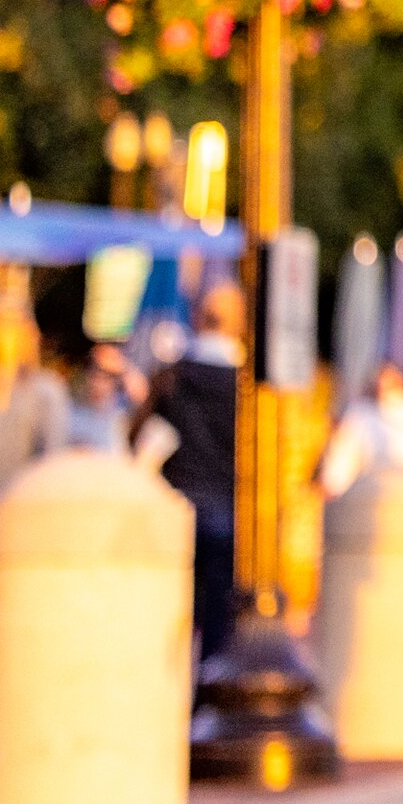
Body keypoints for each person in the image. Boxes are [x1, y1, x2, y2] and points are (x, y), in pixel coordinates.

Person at [155, 281, 249, 663]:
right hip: (228, 510)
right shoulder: (249, 385)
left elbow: (146, 437)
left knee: (170, 612)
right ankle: (208, 696)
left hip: (177, 506)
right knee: (219, 619)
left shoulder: (173, 377)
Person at [0, 292, 70, 508]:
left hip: (23, 507)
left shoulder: (47, 391)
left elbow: (51, 458)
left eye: (12, 323)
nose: (4, 332)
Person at [316, 359, 403, 496]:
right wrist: (332, 482)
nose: (384, 386)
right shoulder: (360, 413)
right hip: (377, 491)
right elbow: (343, 458)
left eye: (390, 381)